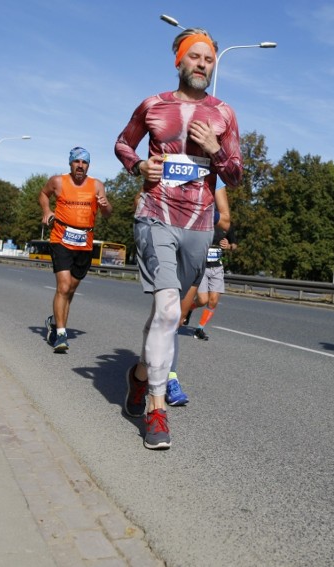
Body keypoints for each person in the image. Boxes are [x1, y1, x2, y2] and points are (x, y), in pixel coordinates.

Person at [115, 26, 242, 449]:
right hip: (155, 216)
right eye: (195, 57)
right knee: (168, 312)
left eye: (209, 59)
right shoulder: (153, 106)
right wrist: (137, 168)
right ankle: (156, 410)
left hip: (199, 227)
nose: (202, 65)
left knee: (169, 317)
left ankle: (137, 377)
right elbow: (123, 144)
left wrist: (217, 149)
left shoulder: (224, 113)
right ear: (179, 60)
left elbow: (237, 175)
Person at [38, 147, 112, 353]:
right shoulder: (58, 181)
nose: (80, 165)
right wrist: (47, 210)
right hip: (61, 239)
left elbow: (107, 214)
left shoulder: (97, 185)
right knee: (63, 286)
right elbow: (43, 195)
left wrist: (105, 205)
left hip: (84, 242)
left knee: (70, 288)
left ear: (88, 165)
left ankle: (55, 320)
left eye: (84, 162)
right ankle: (61, 334)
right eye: (77, 161)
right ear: (70, 163)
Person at [185, 217, 237, 341]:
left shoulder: (227, 226)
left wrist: (229, 246)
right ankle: (188, 308)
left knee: (213, 301)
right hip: (201, 267)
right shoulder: (201, 222)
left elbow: (235, 245)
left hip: (217, 268)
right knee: (202, 300)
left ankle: (199, 329)